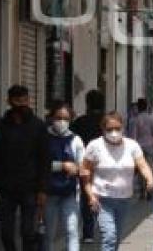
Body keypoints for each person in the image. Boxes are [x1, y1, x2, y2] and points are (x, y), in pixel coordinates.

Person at [81, 112, 153, 251]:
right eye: (109, 129)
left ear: (123, 128)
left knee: (116, 238)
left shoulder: (132, 146)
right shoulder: (94, 146)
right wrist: (90, 195)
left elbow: (142, 164)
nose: (114, 132)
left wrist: (149, 178)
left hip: (124, 199)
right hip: (102, 199)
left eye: (117, 128)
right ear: (102, 130)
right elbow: (85, 172)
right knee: (109, 236)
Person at [0, 84, 49, 251]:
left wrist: (42, 190)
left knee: (28, 232)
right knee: (6, 233)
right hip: (6, 188)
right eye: (17, 100)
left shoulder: (38, 126)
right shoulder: (0, 126)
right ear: (9, 101)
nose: (21, 104)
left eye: (24, 100)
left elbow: (45, 159)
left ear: (29, 101)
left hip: (30, 188)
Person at [43, 102, 84, 251]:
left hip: (69, 193)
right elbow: (38, 165)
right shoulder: (43, 138)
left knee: (72, 231)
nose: (62, 122)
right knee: (48, 233)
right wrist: (62, 166)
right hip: (47, 193)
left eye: (66, 119)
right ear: (51, 117)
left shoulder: (76, 140)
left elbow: (83, 166)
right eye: (58, 117)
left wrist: (78, 169)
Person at [70, 89, 105, 244]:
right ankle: (103, 225)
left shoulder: (79, 122)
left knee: (86, 196)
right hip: (104, 164)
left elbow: (70, 141)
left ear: (87, 103)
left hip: (85, 164)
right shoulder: (107, 122)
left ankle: (88, 231)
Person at [132, 98, 153, 195]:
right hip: (149, 146)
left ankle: (141, 190)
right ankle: (149, 188)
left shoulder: (135, 120)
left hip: (139, 147)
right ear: (146, 107)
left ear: (138, 108)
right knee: (149, 167)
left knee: (141, 168)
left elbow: (134, 136)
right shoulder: (151, 119)